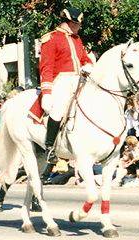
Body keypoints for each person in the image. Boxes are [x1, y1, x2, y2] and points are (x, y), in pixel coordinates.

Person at [40, 7, 94, 163]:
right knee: (58, 110)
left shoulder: (77, 39)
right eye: (78, 24)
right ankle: (49, 147)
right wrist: (47, 93)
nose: (80, 27)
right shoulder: (50, 39)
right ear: (71, 22)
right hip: (61, 81)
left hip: (79, 79)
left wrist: (88, 65)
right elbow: (46, 67)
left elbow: (84, 58)